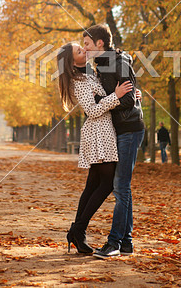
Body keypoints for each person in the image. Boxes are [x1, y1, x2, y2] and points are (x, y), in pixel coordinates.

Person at [57, 42, 133, 254]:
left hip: (104, 130)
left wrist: (128, 97)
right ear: (72, 63)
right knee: (107, 183)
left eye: (83, 47)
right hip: (98, 133)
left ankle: (77, 233)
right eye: (79, 51)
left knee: (92, 184)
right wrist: (116, 96)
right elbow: (91, 110)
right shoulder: (78, 81)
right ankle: (78, 230)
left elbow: (104, 95)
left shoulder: (90, 73)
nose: (84, 50)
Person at [83, 24, 145, 259]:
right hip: (120, 130)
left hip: (130, 129)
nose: (85, 49)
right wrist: (109, 97)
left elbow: (129, 98)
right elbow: (120, 95)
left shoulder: (118, 62)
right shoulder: (103, 65)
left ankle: (115, 242)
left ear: (100, 44)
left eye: (87, 44)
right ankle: (126, 242)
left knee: (120, 187)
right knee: (122, 188)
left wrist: (112, 97)